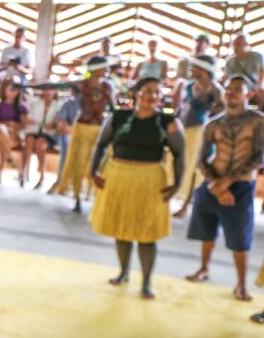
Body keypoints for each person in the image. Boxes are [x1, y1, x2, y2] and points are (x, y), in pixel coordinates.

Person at [90, 78, 184, 300]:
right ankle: (123, 272)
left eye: (156, 92)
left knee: (146, 234)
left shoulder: (167, 121)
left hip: (150, 181)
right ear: (136, 93)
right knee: (121, 229)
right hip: (118, 177)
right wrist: (93, 171)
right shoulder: (119, 117)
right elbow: (101, 145)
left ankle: (146, 282)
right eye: (147, 91)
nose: (151, 96)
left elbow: (180, 154)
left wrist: (177, 183)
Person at [184, 76, 264, 302]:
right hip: (213, 182)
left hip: (240, 186)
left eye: (237, 90)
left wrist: (226, 184)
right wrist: (215, 184)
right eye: (228, 90)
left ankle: (241, 284)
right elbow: (202, 159)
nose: (231, 94)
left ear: (248, 94)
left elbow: (258, 157)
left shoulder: (258, 122)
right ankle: (203, 268)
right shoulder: (214, 123)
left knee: (240, 237)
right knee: (206, 230)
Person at [52, 56, 115, 212]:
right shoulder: (81, 84)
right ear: (95, 69)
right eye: (104, 67)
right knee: (78, 163)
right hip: (82, 129)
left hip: (99, 131)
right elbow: (56, 85)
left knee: (99, 164)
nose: (107, 70)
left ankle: (96, 196)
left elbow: (113, 109)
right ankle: (78, 197)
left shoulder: (108, 87)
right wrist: (30, 86)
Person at [172, 55, 224, 218]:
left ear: (203, 69)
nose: (191, 70)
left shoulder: (215, 90)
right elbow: (182, 108)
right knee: (181, 164)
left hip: (201, 133)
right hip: (184, 130)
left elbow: (221, 115)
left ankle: (186, 205)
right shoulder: (190, 86)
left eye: (194, 67)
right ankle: (179, 198)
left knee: (196, 168)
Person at [20, 85, 61, 189]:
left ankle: (41, 177)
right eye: (46, 90)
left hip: (49, 134)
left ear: (55, 92)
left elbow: (56, 124)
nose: (48, 93)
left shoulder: (59, 105)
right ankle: (22, 174)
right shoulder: (35, 103)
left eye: (51, 90)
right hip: (34, 131)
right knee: (28, 142)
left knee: (40, 144)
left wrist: (53, 125)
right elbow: (29, 119)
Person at [0, 80, 26, 185]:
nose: (12, 92)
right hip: (1, 133)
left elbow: (23, 125)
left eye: (15, 90)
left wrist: (14, 125)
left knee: (3, 144)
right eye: (10, 90)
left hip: (14, 136)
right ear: (5, 90)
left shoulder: (21, 107)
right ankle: (10, 157)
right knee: (2, 129)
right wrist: (5, 124)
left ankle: (2, 170)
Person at [224, 32, 264, 106]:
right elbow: (227, 79)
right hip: (238, 89)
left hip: (255, 88)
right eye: (234, 44)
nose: (235, 47)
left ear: (247, 45)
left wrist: (258, 88)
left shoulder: (257, 56)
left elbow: (261, 74)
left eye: (238, 44)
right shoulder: (229, 62)